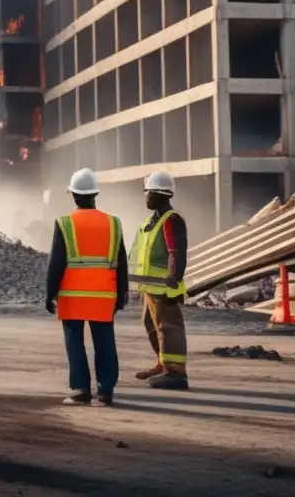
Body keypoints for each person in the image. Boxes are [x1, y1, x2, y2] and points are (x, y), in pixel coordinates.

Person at [45, 168, 128, 406]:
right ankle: (105, 392)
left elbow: (56, 263)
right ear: (95, 194)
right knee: (105, 343)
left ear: (73, 195)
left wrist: (49, 294)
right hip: (104, 296)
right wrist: (122, 293)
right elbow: (121, 261)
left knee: (75, 342)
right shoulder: (113, 223)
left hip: (73, 296)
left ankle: (81, 390)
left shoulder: (65, 223)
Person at [130, 171, 189, 390]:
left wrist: (174, 277)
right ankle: (163, 363)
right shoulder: (151, 221)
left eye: (148, 193)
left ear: (158, 194)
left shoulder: (171, 219)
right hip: (150, 287)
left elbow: (177, 251)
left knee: (169, 327)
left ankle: (175, 373)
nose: (145, 197)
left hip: (165, 287)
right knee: (151, 324)